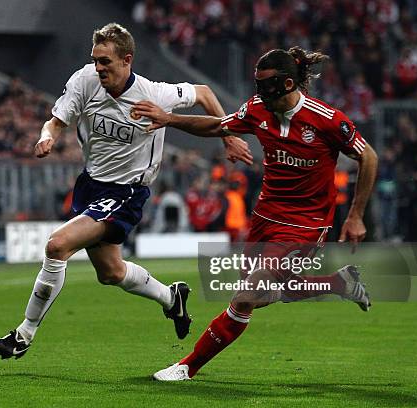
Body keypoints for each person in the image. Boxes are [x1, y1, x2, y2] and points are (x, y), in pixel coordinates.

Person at [0, 23, 253, 359]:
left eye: (106, 62)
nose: (99, 68)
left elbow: (203, 92)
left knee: (57, 246)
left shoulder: (153, 93)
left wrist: (228, 135)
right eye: (96, 60)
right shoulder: (84, 80)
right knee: (111, 273)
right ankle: (172, 298)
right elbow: (56, 120)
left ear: (127, 60)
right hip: (91, 184)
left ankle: (24, 334)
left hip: (127, 191)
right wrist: (47, 136)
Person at [133, 46, 378, 381]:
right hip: (264, 218)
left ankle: (186, 367)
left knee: (245, 297)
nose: (260, 94)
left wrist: (355, 215)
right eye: (257, 86)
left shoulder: (327, 120)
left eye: (267, 87)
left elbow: (369, 158)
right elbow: (218, 126)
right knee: (259, 296)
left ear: (289, 84)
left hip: (305, 224)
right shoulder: (258, 109)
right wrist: (170, 119)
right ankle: (339, 283)